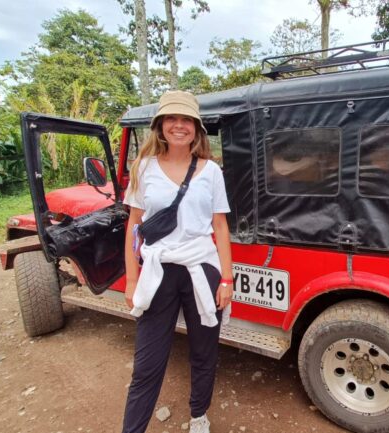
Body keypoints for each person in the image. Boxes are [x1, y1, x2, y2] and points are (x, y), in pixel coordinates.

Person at [121, 90, 234, 433]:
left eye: (186, 120)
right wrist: (130, 279)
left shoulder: (211, 171)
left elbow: (219, 225)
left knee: (204, 351)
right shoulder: (143, 167)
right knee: (147, 363)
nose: (179, 126)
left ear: (196, 129)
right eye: (172, 119)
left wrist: (227, 280)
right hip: (158, 271)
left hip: (203, 268)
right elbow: (134, 225)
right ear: (161, 126)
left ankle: (199, 415)